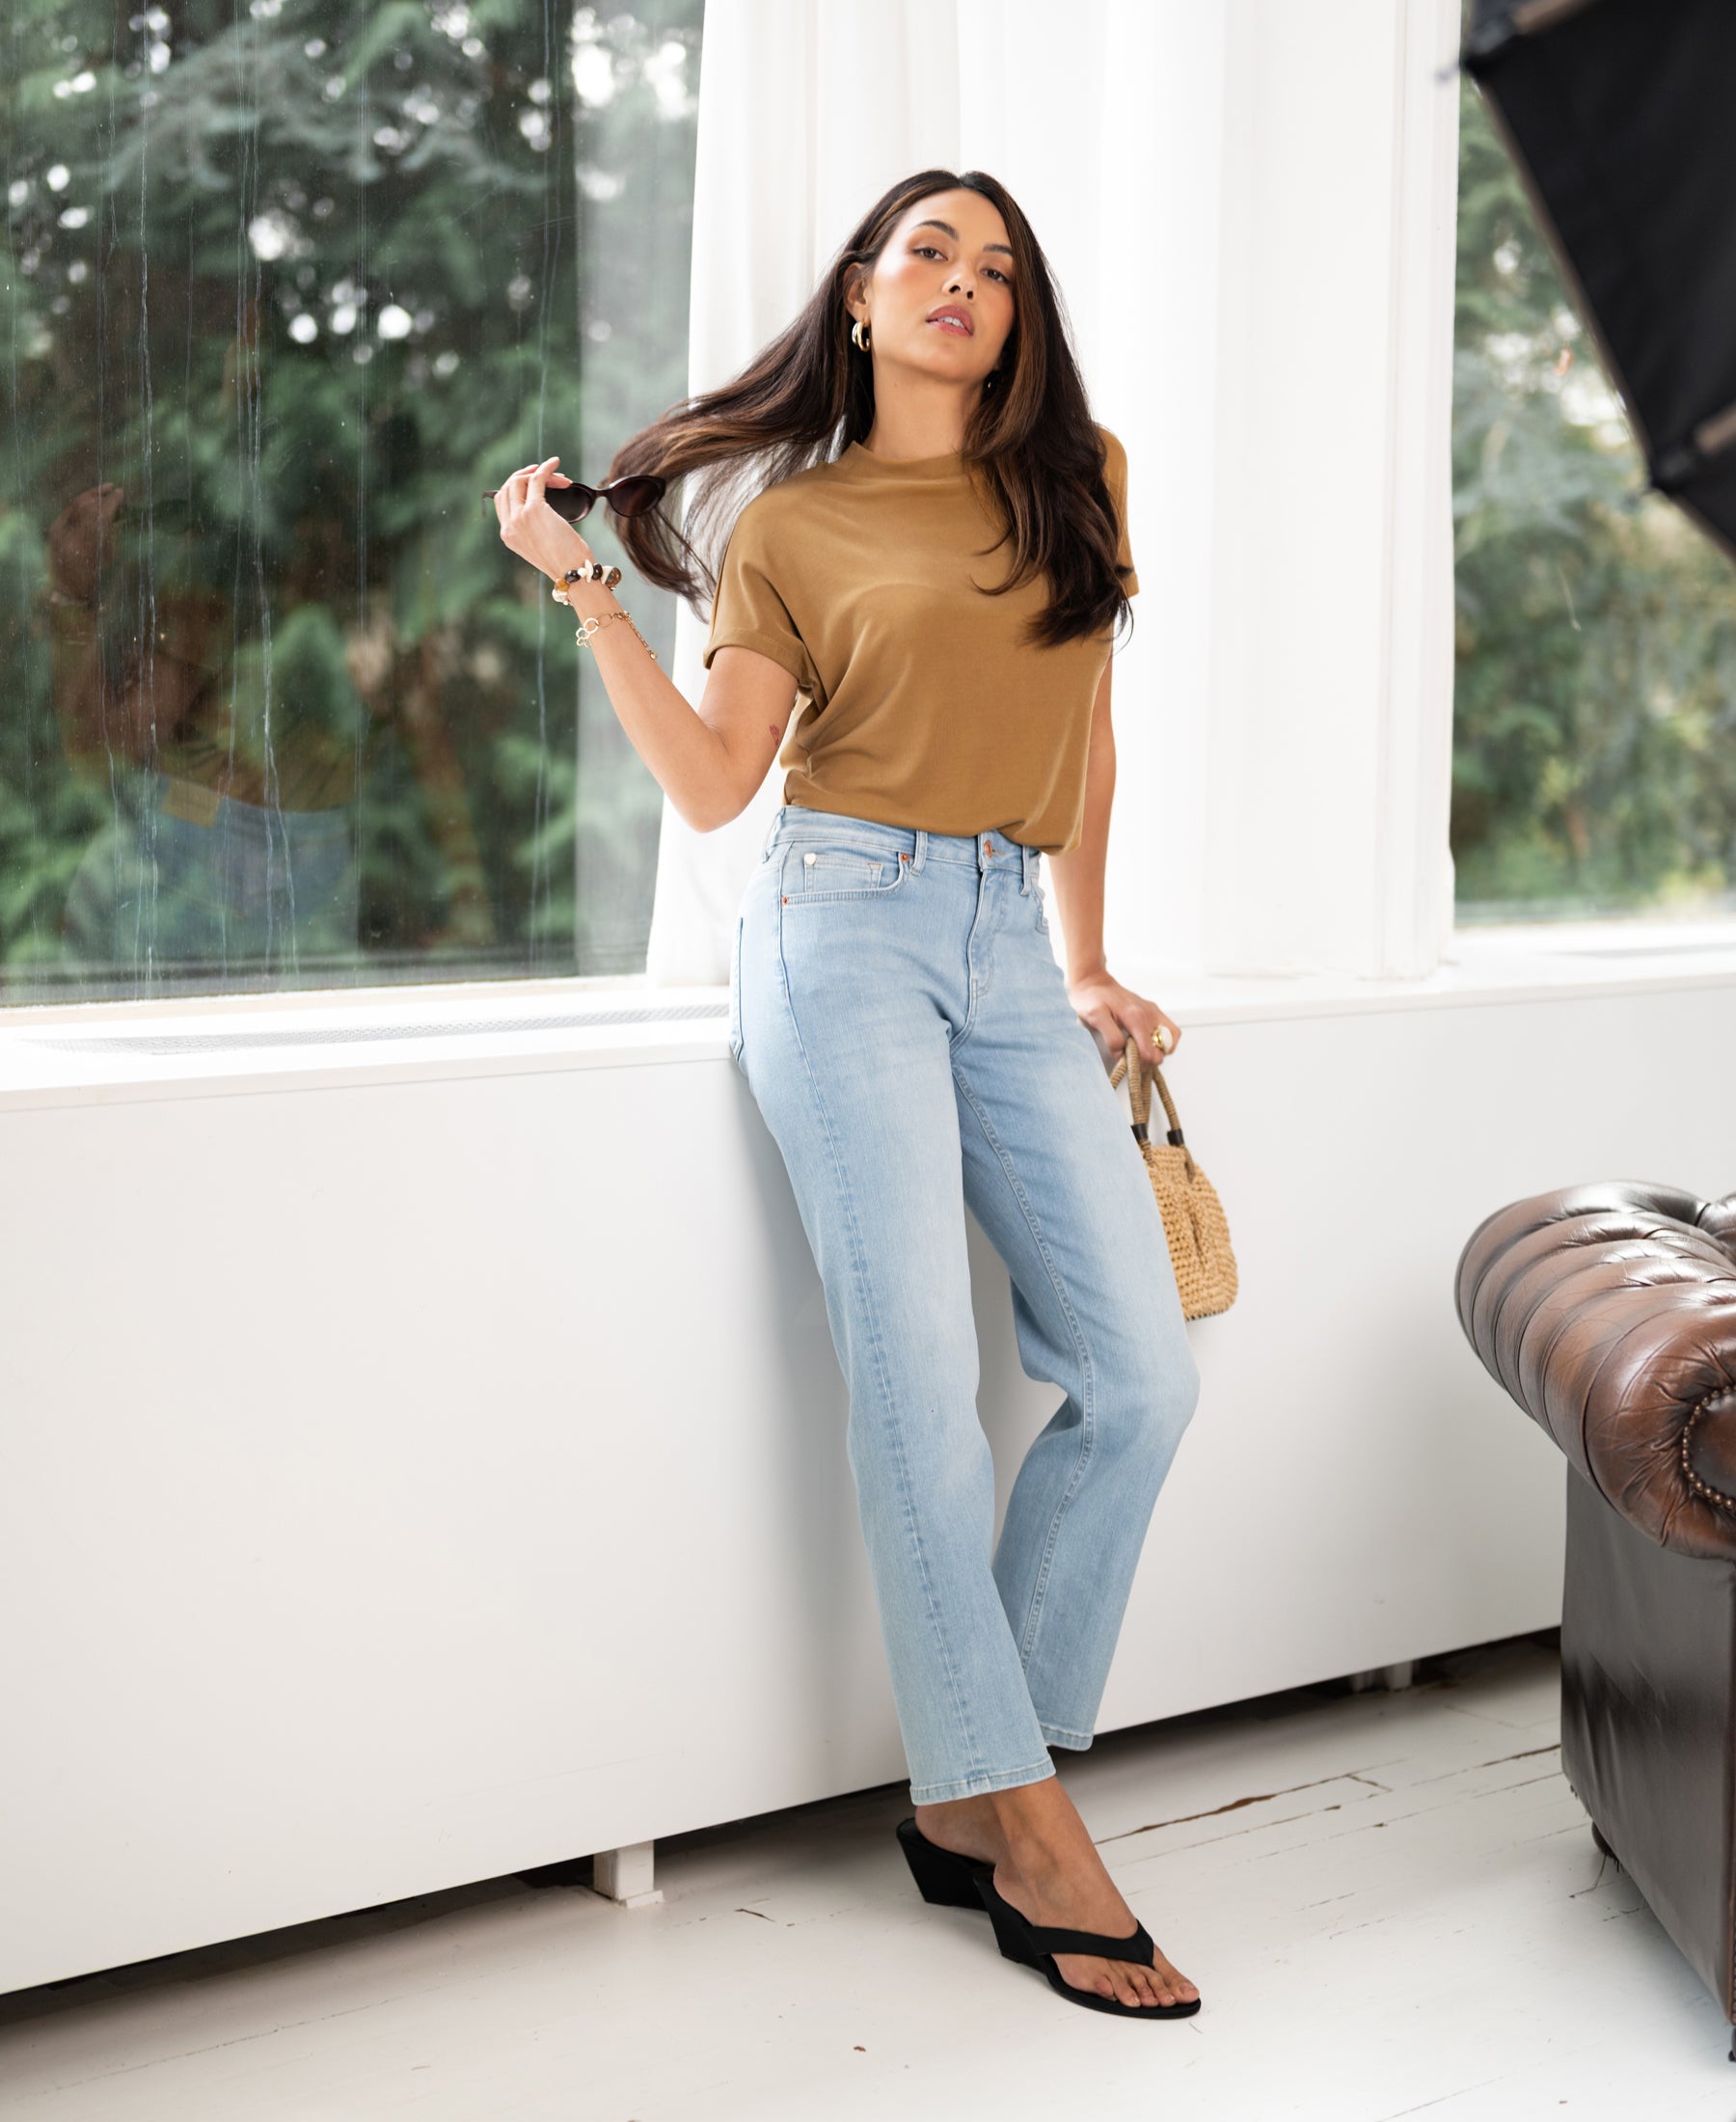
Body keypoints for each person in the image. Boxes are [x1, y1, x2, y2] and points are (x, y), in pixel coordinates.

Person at [494, 167, 1203, 2022]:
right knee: (923, 1387)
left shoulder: (1085, 476)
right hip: (842, 930)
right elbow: (723, 785)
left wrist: (1088, 952)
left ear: (1021, 315)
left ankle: (980, 1779)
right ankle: (1025, 1820)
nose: (965, 283)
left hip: (1001, 941)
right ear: (865, 300)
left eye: (998, 265)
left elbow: (1087, 727)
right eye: (928, 255)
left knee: (1140, 1371)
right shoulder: (791, 528)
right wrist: (590, 598)